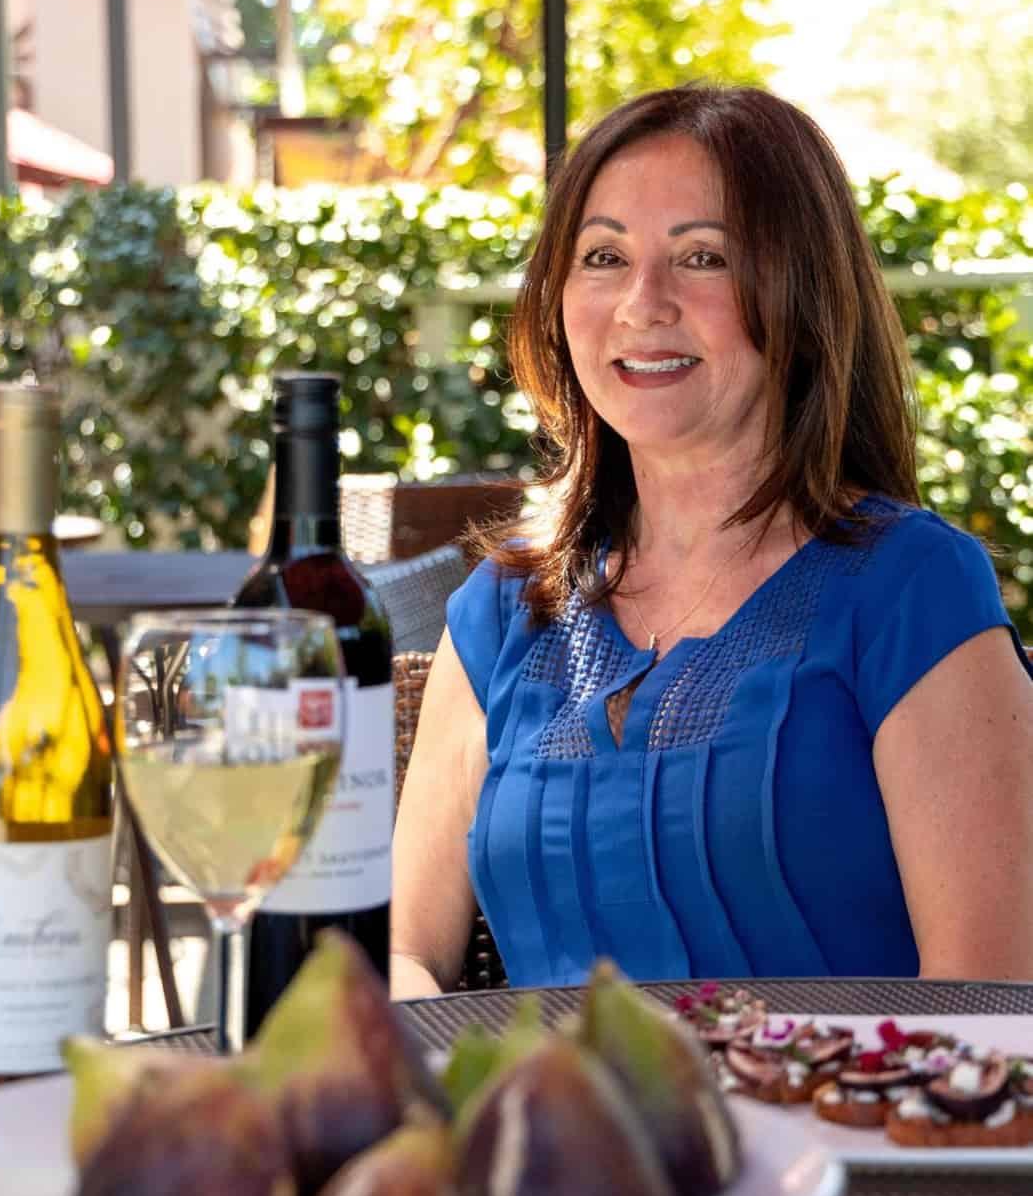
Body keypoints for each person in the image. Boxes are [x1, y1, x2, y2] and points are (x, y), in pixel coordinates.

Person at [390, 82, 1033, 997]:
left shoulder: (911, 587)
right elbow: (406, 948)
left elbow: (988, 999)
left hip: (829, 1136)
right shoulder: (506, 608)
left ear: (798, 295)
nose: (642, 303)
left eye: (702, 258)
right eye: (602, 255)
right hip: (547, 1134)